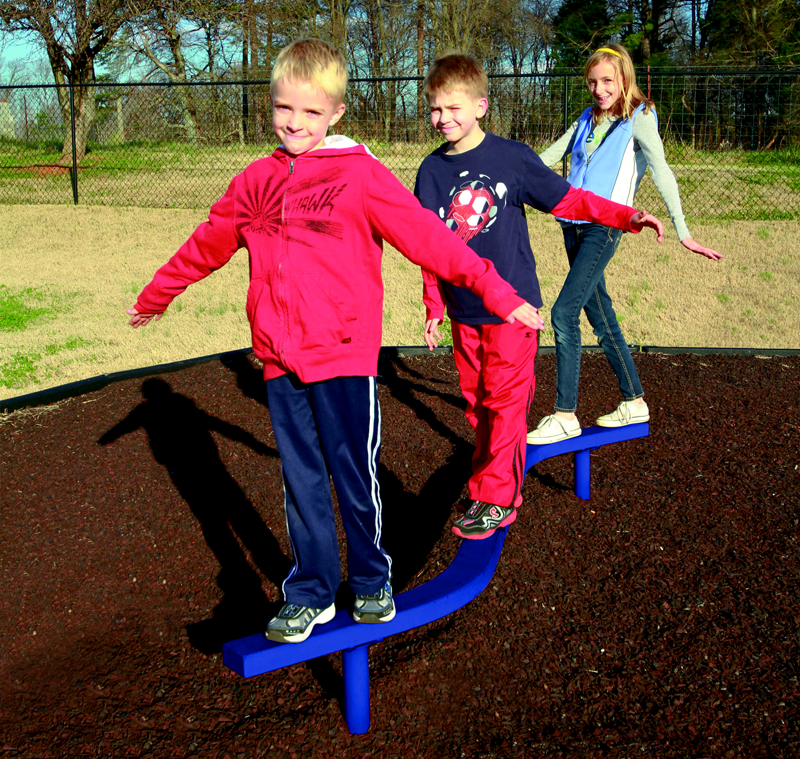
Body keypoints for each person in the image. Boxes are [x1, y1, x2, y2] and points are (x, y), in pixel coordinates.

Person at [124, 38, 547, 644]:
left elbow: (431, 239)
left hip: (344, 354)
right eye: (283, 110)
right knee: (301, 478)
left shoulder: (358, 175)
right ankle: (313, 589)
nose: (295, 124)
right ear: (270, 105)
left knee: (353, 471)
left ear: (336, 115)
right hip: (278, 357)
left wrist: (500, 293)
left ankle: (373, 577)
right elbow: (210, 240)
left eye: (311, 113)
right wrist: (160, 292)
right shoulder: (256, 181)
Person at [415, 52, 664, 541]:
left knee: (506, 404)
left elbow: (569, 198)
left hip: (513, 310)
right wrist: (433, 307)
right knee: (477, 404)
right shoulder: (430, 172)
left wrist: (625, 216)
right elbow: (428, 245)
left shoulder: (512, 158)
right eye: (435, 109)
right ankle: (491, 479)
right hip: (465, 314)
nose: (443, 118)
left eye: (453, 108)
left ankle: (497, 498)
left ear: (481, 105)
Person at [527, 43, 723, 447]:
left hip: (604, 228)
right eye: (593, 82)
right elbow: (547, 157)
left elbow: (662, 170)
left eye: (607, 82)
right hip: (572, 225)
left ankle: (565, 414)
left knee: (564, 313)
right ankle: (634, 401)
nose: (599, 89)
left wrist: (683, 231)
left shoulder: (640, 117)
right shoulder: (586, 118)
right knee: (600, 315)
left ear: (624, 79)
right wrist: (505, 168)